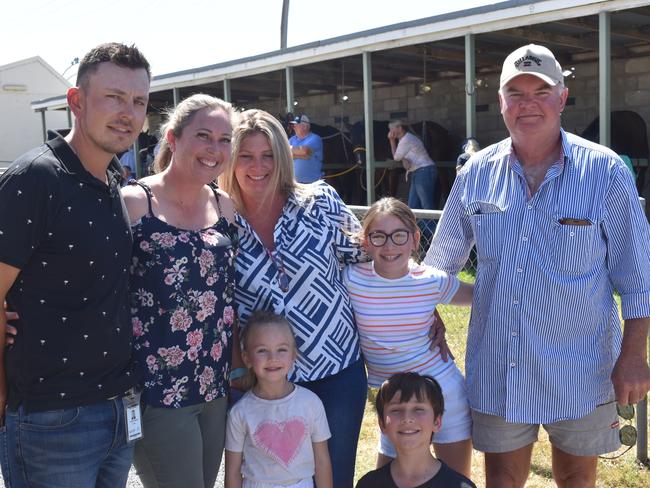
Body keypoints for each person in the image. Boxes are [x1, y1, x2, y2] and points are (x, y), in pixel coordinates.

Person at [425, 43, 650, 488]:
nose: (528, 104)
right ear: (503, 102)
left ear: (562, 98)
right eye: (516, 92)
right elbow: (439, 265)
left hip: (581, 369)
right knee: (503, 480)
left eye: (540, 92)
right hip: (499, 365)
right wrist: (425, 317)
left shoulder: (604, 172)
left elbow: (637, 276)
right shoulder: (475, 173)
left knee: (575, 479)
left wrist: (634, 355)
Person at [0, 42, 151, 487]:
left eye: (138, 101)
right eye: (113, 97)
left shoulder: (112, 178)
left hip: (117, 409)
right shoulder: (35, 179)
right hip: (51, 421)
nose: (128, 112)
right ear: (76, 101)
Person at [220, 109, 366, 488]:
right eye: (246, 156)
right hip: (265, 382)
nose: (258, 166)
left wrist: (419, 304)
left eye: (268, 155)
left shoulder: (321, 203)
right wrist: (238, 369)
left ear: (283, 157)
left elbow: (371, 260)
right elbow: (219, 306)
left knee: (334, 475)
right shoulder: (220, 222)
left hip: (335, 370)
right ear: (231, 160)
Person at [121, 94, 241, 488]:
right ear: (172, 138)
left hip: (214, 384)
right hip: (157, 391)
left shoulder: (225, 206)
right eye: (203, 136)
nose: (215, 149)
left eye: (225, 140)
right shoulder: (136, 203)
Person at [344, 197, 473, 478]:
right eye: (379, 236)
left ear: (415, 239)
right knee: (387, 480)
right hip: (394, 401)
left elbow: (481, 297)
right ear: (366, 242)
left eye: (399, 235)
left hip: (443, 392)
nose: (390, 245)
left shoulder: (430, 280)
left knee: (453, 480)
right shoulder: (351, 279)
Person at [225, 311, 333, 488]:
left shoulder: (311, 403)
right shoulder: (240, 412)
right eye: (262, 350)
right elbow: (232, 471)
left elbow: (322, 460)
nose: (272, 358)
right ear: (247, 358)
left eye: (281, 349)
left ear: (293, 355)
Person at [356, 372, 477, 488]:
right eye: (396, 410)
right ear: (382, 424)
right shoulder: (368, 484)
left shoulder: (459, 485)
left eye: (418, 409)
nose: (407, 418)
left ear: (437, 422)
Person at [387, 120, 437, 210]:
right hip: (419, 172)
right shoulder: (405, 139)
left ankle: (431, 224)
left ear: (400, 128)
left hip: (423, 171)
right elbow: (402, 157)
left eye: (392, 129)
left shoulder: (406, 139)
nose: (390, 132)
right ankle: (419, 224)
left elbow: (396, 157)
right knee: (413, 206)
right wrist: (404, 159)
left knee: (426, 205)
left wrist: (391, 141)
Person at [289, 114, 323, 183]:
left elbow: (304, 151)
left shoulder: (315, 138)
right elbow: (283, 154)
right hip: (294, 185)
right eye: (294, 125)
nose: (294, 127)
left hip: (312, 185)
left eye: (296, 125)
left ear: (305, 126)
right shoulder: (292, 139)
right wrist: (300, 155)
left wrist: (291, 153)